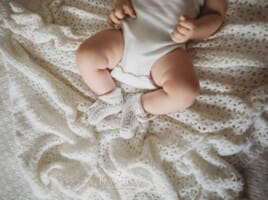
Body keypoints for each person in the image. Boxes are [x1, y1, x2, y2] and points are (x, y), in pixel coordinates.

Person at [76, 0, 227, 138]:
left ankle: (139, 106)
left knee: (185, 92)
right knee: (87, 56)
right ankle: (109, 97)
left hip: (166, 50)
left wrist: (195, 29)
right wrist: (121, 5)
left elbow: (215, 16)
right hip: (125, 37)